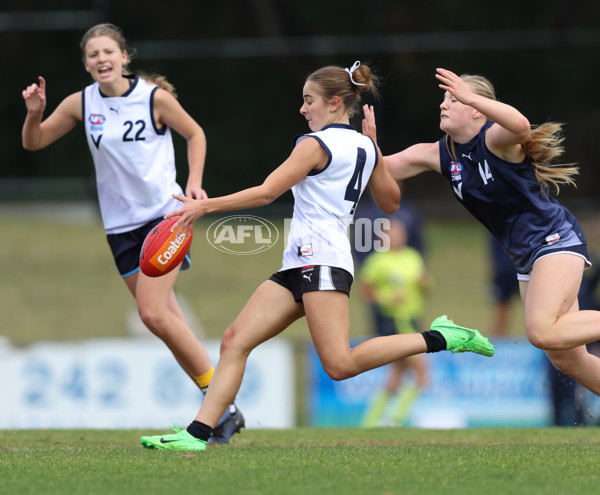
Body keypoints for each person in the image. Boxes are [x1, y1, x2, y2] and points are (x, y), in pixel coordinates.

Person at [139, 61, 494, 451]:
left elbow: (267, 192)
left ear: (335, 102)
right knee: (235, 339)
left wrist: (203, 208)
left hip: (320, 259)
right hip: (302, 259)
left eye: (309, 101)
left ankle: (440, 337)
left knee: (339, 363)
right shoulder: (362, 145)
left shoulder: (314, 144)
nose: (303, 109)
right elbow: (390, 202)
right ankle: (196, 436)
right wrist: (373, 149)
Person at [21, 23, 243, 444]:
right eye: (93, 55)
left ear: (125, 56)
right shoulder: (81, 104)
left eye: (109, 52)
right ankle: (223, 410)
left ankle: (219, 407)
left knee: (153, 314)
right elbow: (35, 143)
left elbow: (195, 133)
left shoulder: (153, 98)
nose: (101, 59)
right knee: (168, 321)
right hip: (120, 228)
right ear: (86, 65)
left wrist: (194, 183)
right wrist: (34, 114)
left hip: (164, 219)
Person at [373, 67, 600, 398]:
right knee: (567, 358)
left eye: (453, 98)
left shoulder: (494, 138)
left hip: (553, 240)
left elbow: (521, 126)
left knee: (541, 331)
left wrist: (468, 94)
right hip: (526, 256)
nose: (443, 105)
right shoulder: (442, 153)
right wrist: (368, 147)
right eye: (444, 99)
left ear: (476, 108)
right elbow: (383, 169)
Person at [359, 218, 430, 427]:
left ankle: (370, 422)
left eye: (401, 232)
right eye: (393, 233)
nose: (398, 237)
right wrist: (388, 299)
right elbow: (366, 291)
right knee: (422, 375)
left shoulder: (413, 257)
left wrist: (424, 283)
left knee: (396, 377)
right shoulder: (378, 261)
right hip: (395, 321)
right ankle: (394, 418)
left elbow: (426, 287)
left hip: (412, 318)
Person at [489, 236, 519, 336]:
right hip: (505, 268)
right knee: (503, 302)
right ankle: (499, 337)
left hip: (524, 264)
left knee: (533, 303)